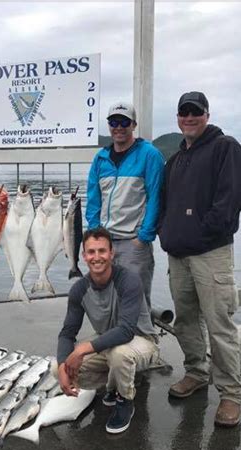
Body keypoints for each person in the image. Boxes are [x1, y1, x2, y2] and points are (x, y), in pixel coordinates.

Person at [158, 91, 241, 427]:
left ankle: (231, 395)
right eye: (183, 112)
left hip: (211, 254)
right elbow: (164, 203)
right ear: (177, 117)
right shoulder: (175, 161)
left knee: (220, 325)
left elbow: (231, 199)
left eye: (195, 112)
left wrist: (201, 232)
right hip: (178, 256)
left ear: (206, 114)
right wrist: (167, 232)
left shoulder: (227, 148)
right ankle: (196, 371)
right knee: (186, 320)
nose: (189, 118)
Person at [57, 227, 159, 434]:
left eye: (102, 251)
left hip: (142, 340)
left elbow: (126, 331)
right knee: (57, 368)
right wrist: (61, 365)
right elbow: (67, 333)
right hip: (107, 342)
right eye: (91, 252)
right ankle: (113, 384)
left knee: (119, 355)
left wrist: (81, 350)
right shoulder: (79, 289)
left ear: (112, 253)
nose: (97, 257)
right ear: (84, 256)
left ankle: (125, 399)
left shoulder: (128, 280)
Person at [85, 102, 164, 309]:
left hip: (133, 243)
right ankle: (111, 340)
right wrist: (95, 233)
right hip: (105, 242)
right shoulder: (100, 158)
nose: (118, 127)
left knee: (136, 303)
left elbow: (156, 198)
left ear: (133, 125)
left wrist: (144, 237)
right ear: (108, 125)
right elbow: (93, 200)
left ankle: (144, 339)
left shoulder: (150, 154)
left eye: (124, 122)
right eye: (113, 122)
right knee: (105, 301)